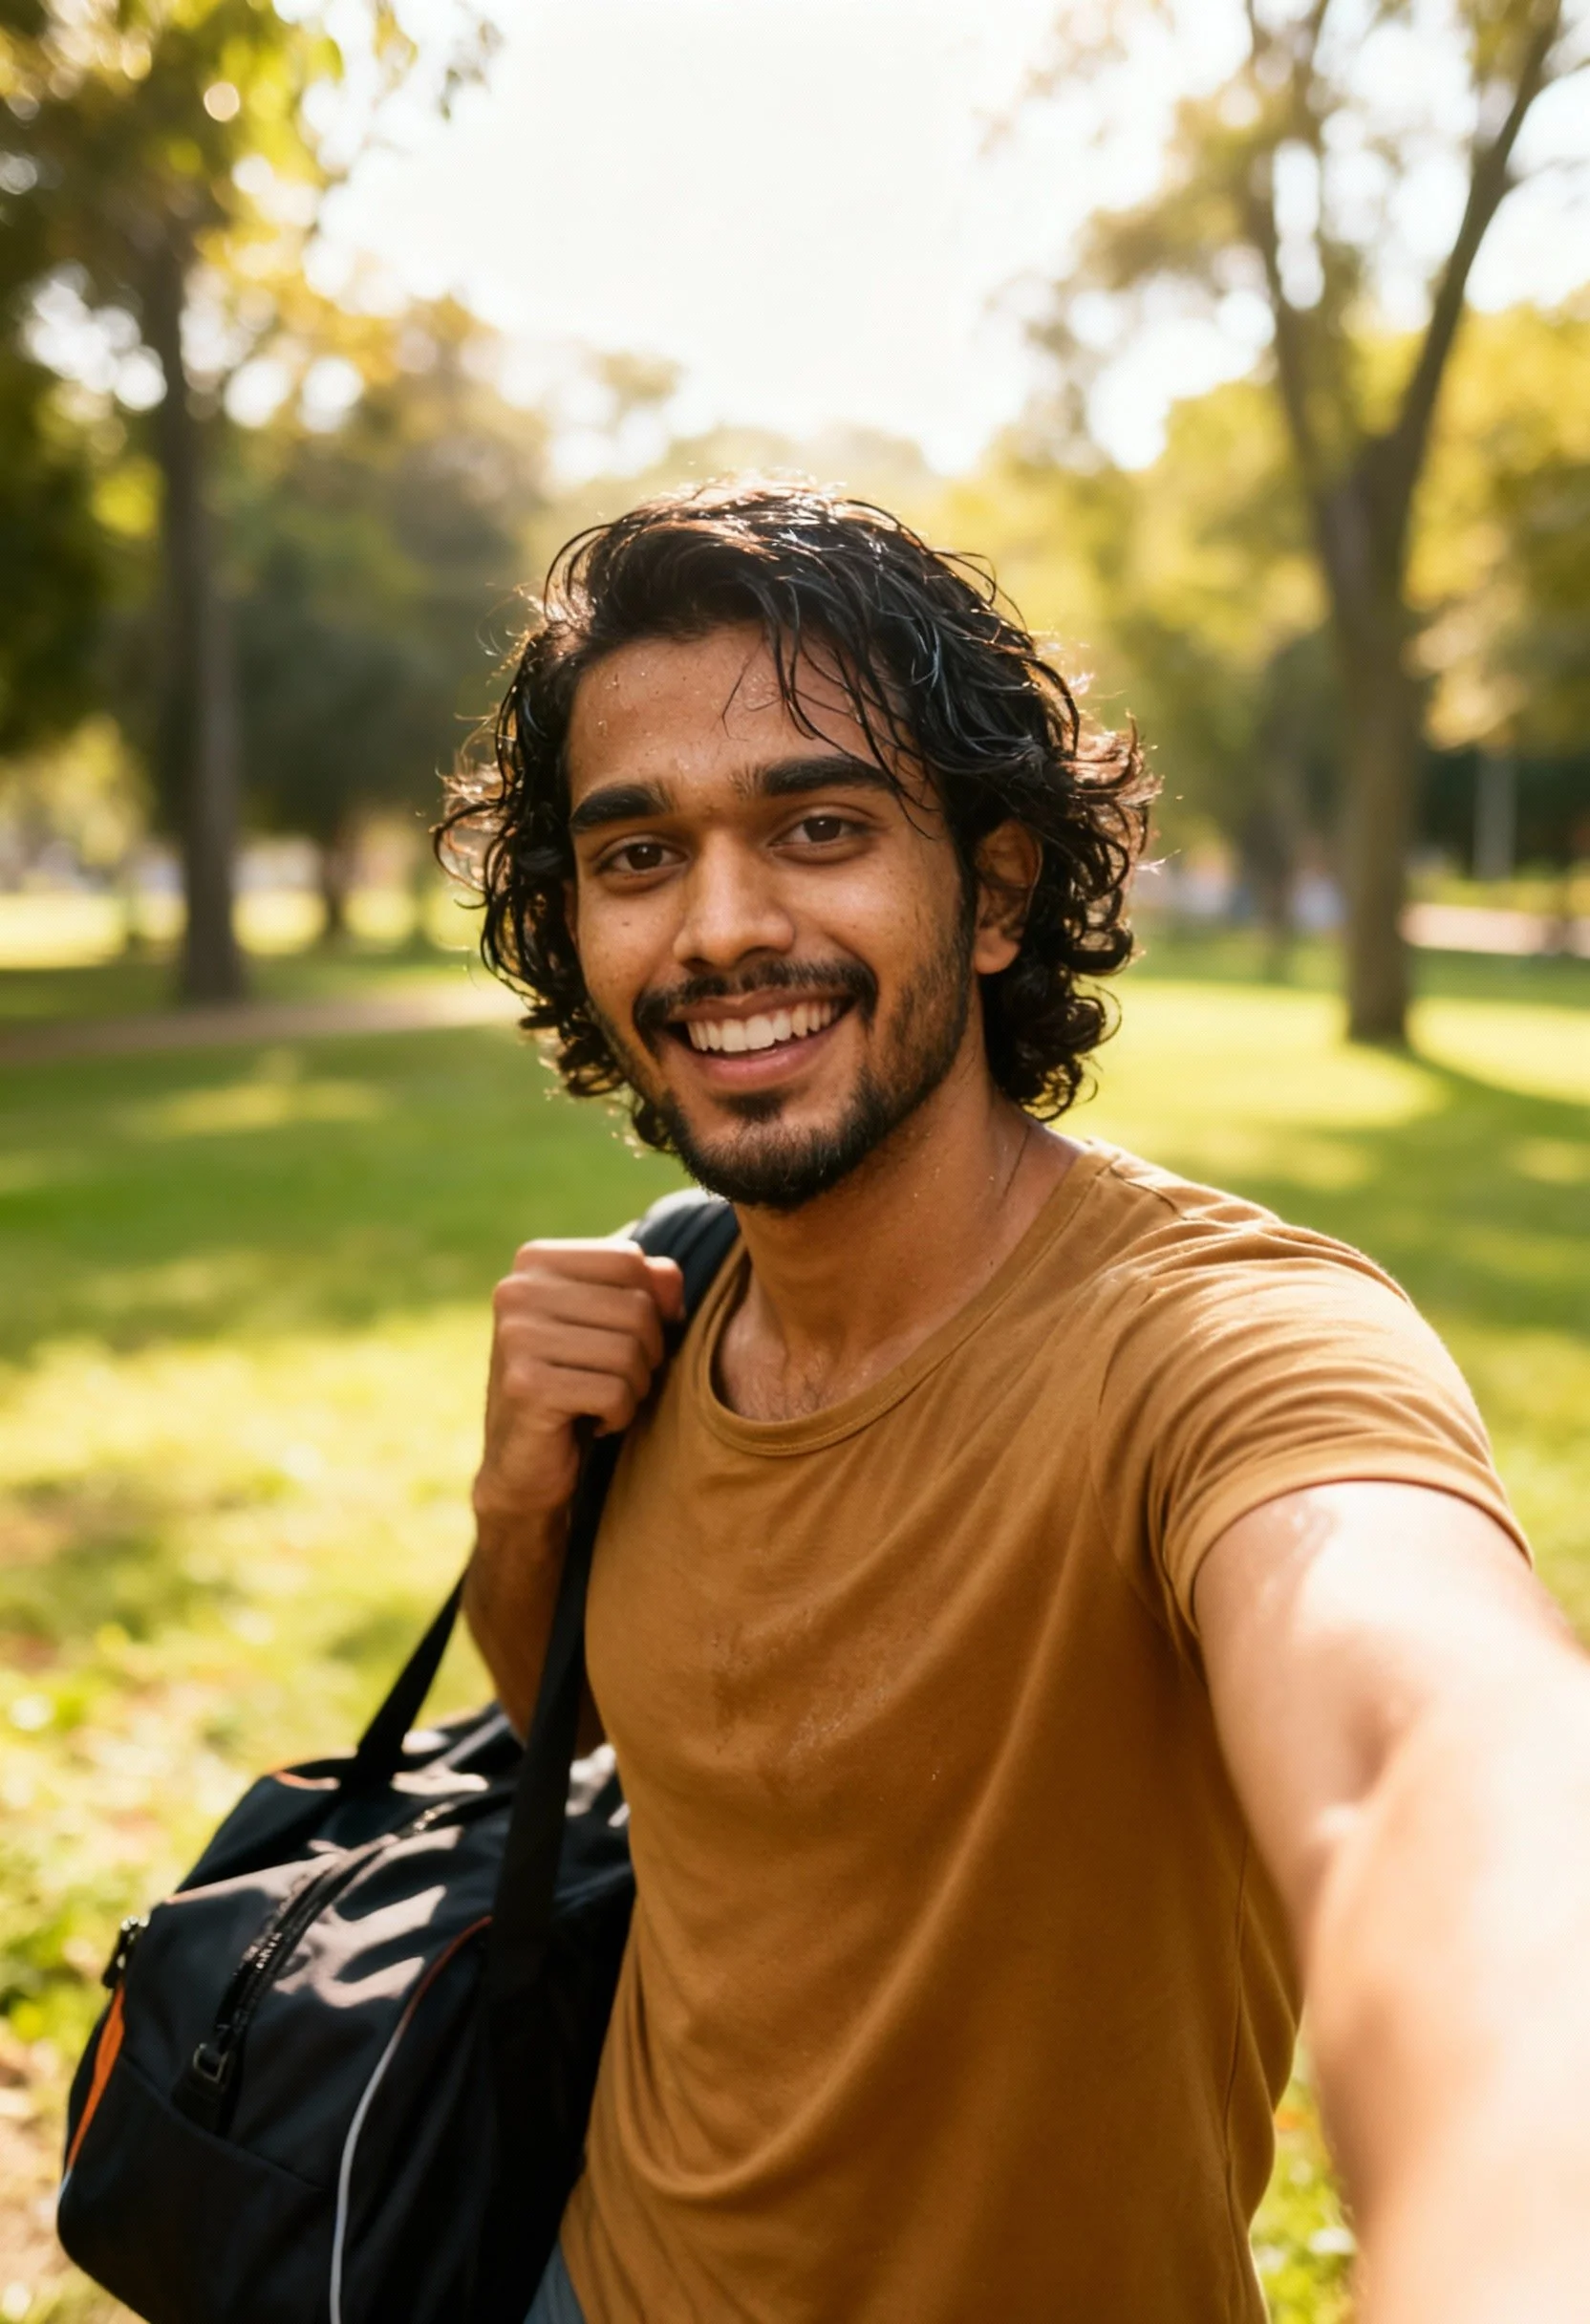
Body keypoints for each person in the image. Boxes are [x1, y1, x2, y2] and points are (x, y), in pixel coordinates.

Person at [439, 484, 1590, 2324]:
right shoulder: (674, 1303)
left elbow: (1420, 1744)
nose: (722, 927)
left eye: (817, 827)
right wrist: (520, 1509)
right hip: (599, 2276)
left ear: (988, 889)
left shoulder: (1207, 1342)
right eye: (637, 854)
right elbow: (584, 1738)